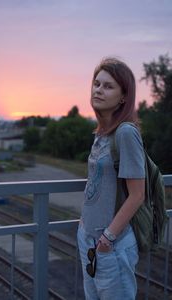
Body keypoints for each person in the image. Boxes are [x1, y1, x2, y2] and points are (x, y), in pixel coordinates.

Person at [77, 57, 145, 300]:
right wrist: (85, 228)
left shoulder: (125, 133)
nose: (98, 90)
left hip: (111, 246)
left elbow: (137, 194)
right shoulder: (101, 134)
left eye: (108, 86)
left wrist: (107, 238)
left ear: (123, 97)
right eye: (97, 84)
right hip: (89, 240)